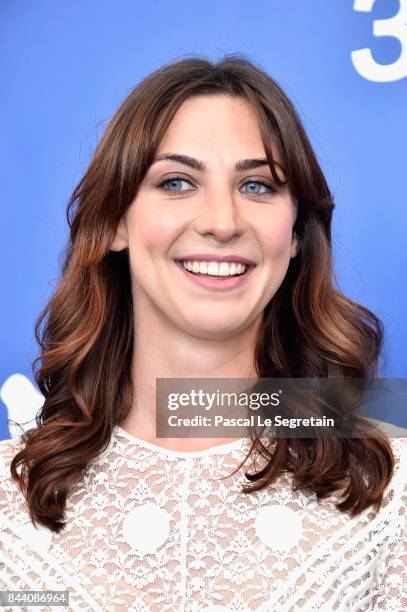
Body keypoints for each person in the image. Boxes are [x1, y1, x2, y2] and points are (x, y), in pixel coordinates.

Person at [0, 54, 406, 611]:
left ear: (295, 235)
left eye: (258, 186)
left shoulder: (389, 488)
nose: (222, 221)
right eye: (176, 181)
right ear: (116, 221)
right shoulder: (8, 499)